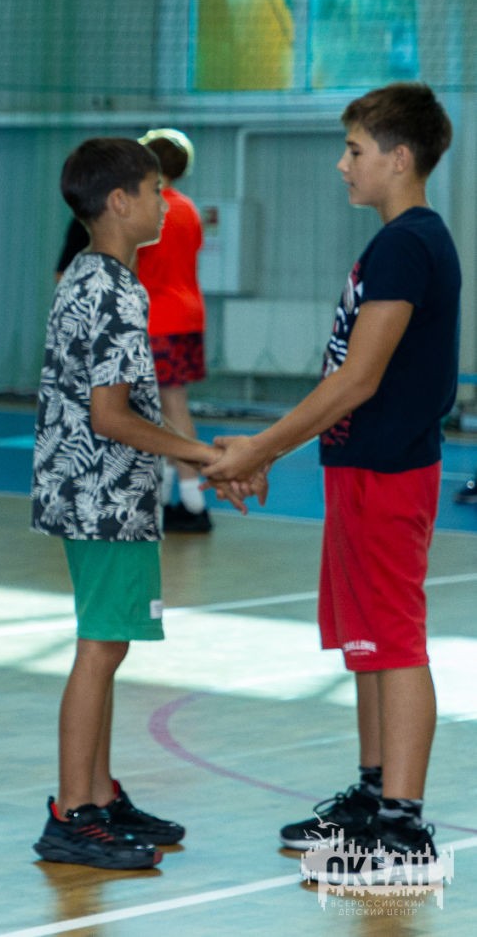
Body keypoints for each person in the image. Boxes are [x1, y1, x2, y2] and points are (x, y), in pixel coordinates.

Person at [206, 83, 458, 884]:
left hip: (388, 470)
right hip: (359, 467)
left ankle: (403, 833)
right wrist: (275, 452)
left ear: (399, 157)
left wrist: (260, 448)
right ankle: (376, 795)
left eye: (354, 150)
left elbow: (357, 378)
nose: (342, 164)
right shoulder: (395, 242)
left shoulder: (408, 244)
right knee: (368, 641)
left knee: (395, 641)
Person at [29, 138, 235, 871]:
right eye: (153, 191)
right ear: (119, 202)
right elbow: (111, 415)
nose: (164, 204)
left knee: (108, 645)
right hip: (103, 496)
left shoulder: (94, 275)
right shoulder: (112, 290)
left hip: (97, 492)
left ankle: (98, 793)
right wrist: (201, 456)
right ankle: (73, 813)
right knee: (99, 648)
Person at [134, 129, 213, 533]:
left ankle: (192, 498)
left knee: (170, 408)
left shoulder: (151, 209)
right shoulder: (188, 209)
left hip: (158, 318)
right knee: (167, 408)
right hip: (187, 314)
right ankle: (167, 497)